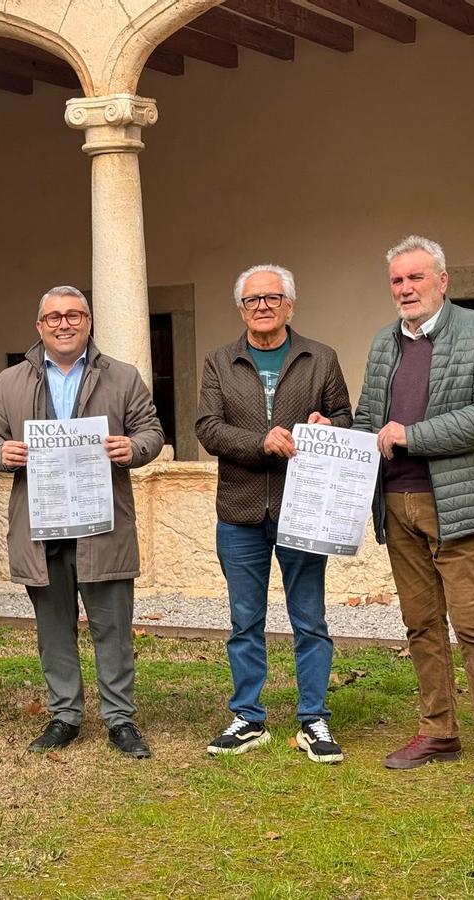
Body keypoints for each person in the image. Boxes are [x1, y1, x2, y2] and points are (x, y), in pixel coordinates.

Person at [353, 235, 474, 784]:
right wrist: (336, 435)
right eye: (398, 280)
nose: (406, 288)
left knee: (473, 624)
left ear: (442, 281)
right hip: (395, 503)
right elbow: (369, 420)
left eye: (416, 277)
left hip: (455, 502)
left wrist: (414, 435)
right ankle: (438, 730)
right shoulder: (384, 343)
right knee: (421, 625)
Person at [0, 286, 164, 758]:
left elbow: (152, 431)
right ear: (39, 326)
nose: (64, 323)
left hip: (103, 522)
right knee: (54, 627)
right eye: (54, 316)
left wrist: (133, 448)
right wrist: (1, 452)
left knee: (113, 626)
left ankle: (120, 718)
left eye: (74, 315)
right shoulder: (10, 381)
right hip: (41, 525)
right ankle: (65, 716)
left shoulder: (121, 376)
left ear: (88, 322)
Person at [196, 264, 351, 762]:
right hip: (239, 510)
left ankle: (314, 720)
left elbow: (345, 417)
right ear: (241, 308)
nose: (262, 306)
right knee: (245, 620)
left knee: (310, 619)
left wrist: (328, 423)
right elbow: (207, 428)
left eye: (273, 297)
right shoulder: (220, 361)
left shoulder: (320, 357)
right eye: (252, 299)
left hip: (303, 509)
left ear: (290, 304)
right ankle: (248, 717)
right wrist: (260, 442)